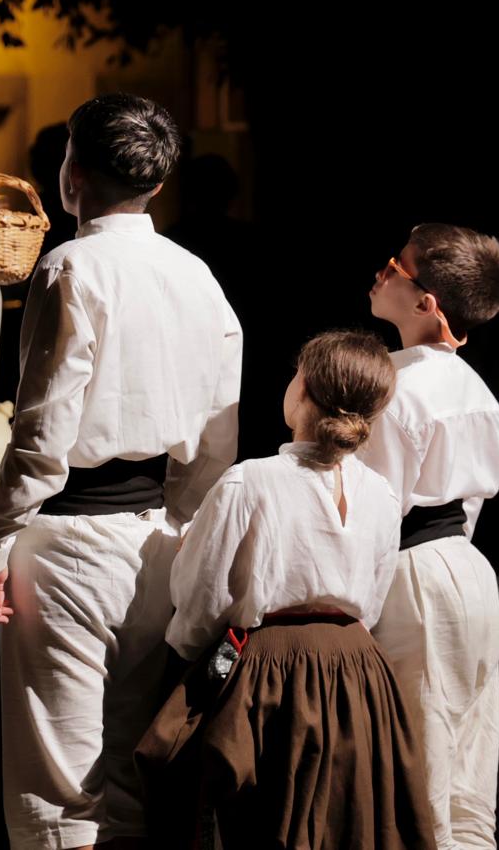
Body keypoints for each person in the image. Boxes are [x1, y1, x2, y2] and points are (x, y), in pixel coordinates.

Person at [0, 93, 244, 849]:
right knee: (126, 774)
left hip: (67, 544)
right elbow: (217, 441)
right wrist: (182, 531)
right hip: (158, 540)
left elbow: (41, 435)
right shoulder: (199, 279)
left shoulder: (69, 267)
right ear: (155, 183)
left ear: (72, 172)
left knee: (61, 791)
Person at [140, 329, 436, 850]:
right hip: (358, 674)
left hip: (271, 674)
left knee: (261, 820)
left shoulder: (249, 481)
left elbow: (201, 598)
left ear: (302, 390)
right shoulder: (383, 494)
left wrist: (191, 662)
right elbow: (370, 598)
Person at [358, 224, 499, 850]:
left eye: (396, 265)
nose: (382, 270)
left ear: (427, 302)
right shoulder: (481, 395)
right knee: (468, 772)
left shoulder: (396, 394)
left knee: (417, 775)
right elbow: (471, 507)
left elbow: (374, 515)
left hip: (413, 574)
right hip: (471, 575)